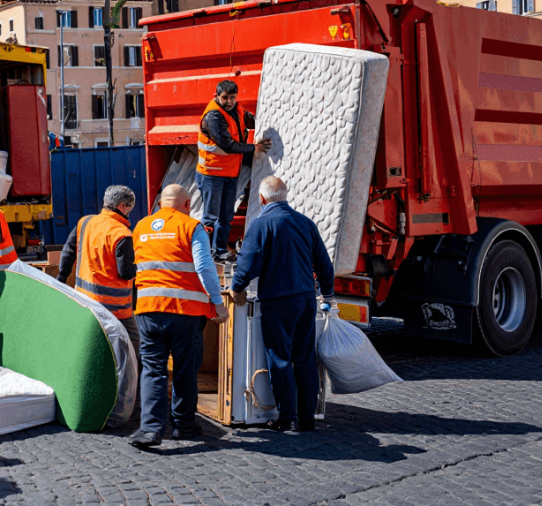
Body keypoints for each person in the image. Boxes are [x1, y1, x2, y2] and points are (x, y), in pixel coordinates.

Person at [224, 177, 334, 433]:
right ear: (285, 196)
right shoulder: (305, 223)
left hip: (277, 301)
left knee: (281, 359)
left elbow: (247, 264)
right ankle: (307, 419)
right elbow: (324, 264)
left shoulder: (261, 224)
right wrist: (327, 295)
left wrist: (237, 286)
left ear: (262, 199)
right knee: (305, 358)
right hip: (306, 299)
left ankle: (286, 418)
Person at [128, 184, 229, 449]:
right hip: (184, 312)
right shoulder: (191, 226)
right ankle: (183, 425)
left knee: (153, 370)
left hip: (148, 310)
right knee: (185, 369)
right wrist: (217, 303)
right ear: (186, 205)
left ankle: (149, 429)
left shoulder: (141, 227)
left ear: (161, 203)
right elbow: (205, 267)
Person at [56, 185, 140, 352]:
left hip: (84, 300)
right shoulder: (122, 233)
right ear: (122, 206)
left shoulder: (85, 222)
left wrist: (61, 279)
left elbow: (68, 252)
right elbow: (126, 273)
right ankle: (131, 378)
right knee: (134, 346)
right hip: (115, 309)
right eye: (130, 207)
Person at [195, 79, 271, 262]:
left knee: (226, 216)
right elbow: (228, 145)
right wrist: (255, 148)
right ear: (217, 96)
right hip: (211, 173)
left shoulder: (238, 109)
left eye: (232, 97)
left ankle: (220, 251)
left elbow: (250, 121)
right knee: (210, 217)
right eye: (225, 98)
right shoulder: (213, 117)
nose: (229, 101)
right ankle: (204, 254)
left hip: (229, 172)